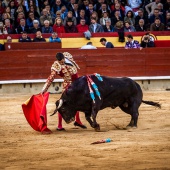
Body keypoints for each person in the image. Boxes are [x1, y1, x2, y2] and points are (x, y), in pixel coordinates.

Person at [41, 52, 87, 130]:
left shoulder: (68, 57)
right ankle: (59, 125)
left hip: (77, 84)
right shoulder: (56, 66)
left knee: (77, 102)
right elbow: (50, 78)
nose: (61, 63)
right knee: (62, 104)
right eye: (60, 62)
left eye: (62, 61)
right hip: (67, 85)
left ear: (63, 58)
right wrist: (44, 90)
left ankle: (78, 121)